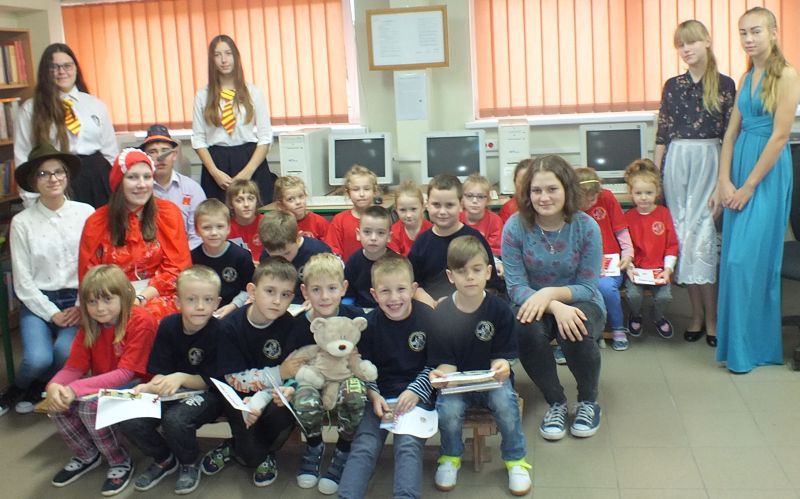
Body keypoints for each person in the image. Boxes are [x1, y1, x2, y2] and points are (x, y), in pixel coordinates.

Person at [713, 7, 800, 373]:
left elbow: (780, 137)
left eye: (756, 31)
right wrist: (723, 180)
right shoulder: (747, 75)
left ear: (774, 33)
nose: (748, 39)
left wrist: (747, 186)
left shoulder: (787, 74)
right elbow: (731, 132)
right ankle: (739, 348)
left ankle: (754, 348)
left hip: (766, 173)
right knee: (734, 262)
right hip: (739, 165)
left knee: (746, 262)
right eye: (743, 32)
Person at [502, 155, 605, 441]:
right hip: (532, 301)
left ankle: (588, 401)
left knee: (575, 326)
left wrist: (551, 294)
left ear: (567, 189)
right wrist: (554, 305)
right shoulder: (515, 227)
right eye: (536, 190)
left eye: (552, 189)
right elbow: (516, 287)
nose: (543, 197)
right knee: (525, 330)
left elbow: (587, 285)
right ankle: (556, 402)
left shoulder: (586, 227)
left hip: (580, 299)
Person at [428, 235, 530, 496]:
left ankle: (515, 460)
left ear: (488, 272)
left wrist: (502, 366)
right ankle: (450, 457)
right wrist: (440, 375)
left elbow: (503, 357)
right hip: (458, 384)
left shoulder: (500, 310)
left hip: (492, 380)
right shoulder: (442, 313)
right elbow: (445, 362)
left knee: (506, 404)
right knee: (448, 410)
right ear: (450, 276)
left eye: (476, 270)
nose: (470, 277)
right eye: (462, 271)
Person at [655, 20, 736, 344]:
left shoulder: (726, 85)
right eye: (680, 44)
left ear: (707, 41)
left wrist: (723, 182)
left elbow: (731, 137)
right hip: (677, 162)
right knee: (684, 239)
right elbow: (662, 134)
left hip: (710, 161)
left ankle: (713, 319)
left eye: (690, 42)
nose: (685, 49)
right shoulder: (673, 85)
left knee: (704, 240)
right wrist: (657, 176)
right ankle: (696, 316)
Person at [46, 265, 158, 496]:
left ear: (124, 295)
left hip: (143, 388)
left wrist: (74, 389)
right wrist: (54, 386)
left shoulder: (141, 320)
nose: (100, 308)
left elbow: (126, 374)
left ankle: (119, 461)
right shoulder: (91, 324)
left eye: (107, 299)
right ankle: (87, 454)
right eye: (92, 302)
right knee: (57, 404)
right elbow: (74, 367)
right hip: (105, 386)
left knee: (89, 408)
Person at [0, 145, 94, 416]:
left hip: (77, 300)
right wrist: (52, 313)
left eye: (58, 172)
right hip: (39, 300)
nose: (53, 179)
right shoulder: (22, 222)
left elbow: (92, 266)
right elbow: (23, 281)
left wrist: (80, 305)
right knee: (38, 358)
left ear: (67, 176)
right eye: (44, 174)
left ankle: (41, 385)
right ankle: (18, 387)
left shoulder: (85, 213)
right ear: (34, 181)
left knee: (65, 353)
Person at [119, 266, 224, 495]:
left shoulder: (220, 331)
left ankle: (189, 462)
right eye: (191, 299)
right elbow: (160, 370)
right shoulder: (168, 325)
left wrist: (181, 377)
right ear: (177, 302)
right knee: (127, 413)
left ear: (217, 303)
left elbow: (212, 381)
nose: (200, 306)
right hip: (170, 390)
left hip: (208, 394)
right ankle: (164, 458)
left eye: (207, 300)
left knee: (175, 420)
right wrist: (150, 386)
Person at [338, 253, 435, 499]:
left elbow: (437, 365)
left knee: (408, 445)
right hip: (379, 397)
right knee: (365, 445)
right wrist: (373, 394)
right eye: (385, 291)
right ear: (374, 294)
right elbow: (364, 367)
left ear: (413, 288)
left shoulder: (429, 319)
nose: (394, 298)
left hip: (416, 396)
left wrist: (415, 392)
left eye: (401, 289)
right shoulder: (369, 324)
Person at [201, 257, 299, 487]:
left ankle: (254, 449)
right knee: (251, 457)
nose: (277, 301)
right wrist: (279, 372)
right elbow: (234, 379)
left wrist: (281, 388)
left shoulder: (290, 324)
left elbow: (294, 369)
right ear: (252, 291)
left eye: (285, 295)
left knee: (284, 408)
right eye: (270, 291)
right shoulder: (229, 326)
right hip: (235, 395)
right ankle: (238, 446)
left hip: (271, 393)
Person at [286, 253, 368, 494]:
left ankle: (344, 450)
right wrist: (290, 384)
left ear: (343, 288)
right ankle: (314, 446)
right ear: (305, 291)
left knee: (355, 394)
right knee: (304, 399)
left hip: (347, 376)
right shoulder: (299, 324)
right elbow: (294, 362)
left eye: (332, 288)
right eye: (316, 289)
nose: (324, 296)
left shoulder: (354, 317)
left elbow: (365, 359)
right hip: (313, 377)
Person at [79, 148, 192, 321]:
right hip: (110, 299)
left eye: (147, 177)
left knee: (146, 318)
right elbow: (91, 277)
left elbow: (178, 268)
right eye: (132, 177)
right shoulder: (96, 222)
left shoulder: (168, 214)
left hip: (159, 295)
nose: (142, 184)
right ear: (119, 182)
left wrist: (141, 298)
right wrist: (120, 301)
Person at [14, 43, 118, 208]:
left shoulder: (95, 104)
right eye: (54, 67)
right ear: (45, 72)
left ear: (76, 68)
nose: (61, 71)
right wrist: (31, 200)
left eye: (67, 66)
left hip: (97, 178)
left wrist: (116, 186)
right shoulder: (30, 109)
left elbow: (110, 152)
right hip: (56, 178)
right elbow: (23, 156)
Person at [192, 35, 275, 204]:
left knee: (254, 212)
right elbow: (199, 139)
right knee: (219, 214)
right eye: (217, 55)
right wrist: (214, 172)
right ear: (212, 60)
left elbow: (265, 137)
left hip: (249, 159)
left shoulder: (253, 92)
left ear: (236, 56)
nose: (224, 60)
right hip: (217, 163)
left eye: (228, 53)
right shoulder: (202, 96)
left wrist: (248, 172)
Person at [408, 174, 501, 308]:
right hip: (431, 309)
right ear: (427, 205)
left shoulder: (475, 239)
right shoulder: (421, 243)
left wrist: (457, 303)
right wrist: (432, 304)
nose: (442, 211)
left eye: (449, 205)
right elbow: (412, 284)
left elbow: (491, 285)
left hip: (471, 308)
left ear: (461, 205)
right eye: (436, 205)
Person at [575, 167, 634, 351]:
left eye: (594, 198)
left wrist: (628, 254)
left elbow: (621, 230)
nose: (592, 202)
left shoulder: (606, 197)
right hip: (580, 267)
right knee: (580, 291)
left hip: (611, 263)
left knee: (606, 287)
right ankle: (591, 331)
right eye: (587, 199)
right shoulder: (568, 208)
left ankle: (617, 327)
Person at [623, 160, 679, 339]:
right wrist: (629, 268)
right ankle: (636, 314)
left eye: (649, 193)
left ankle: (658, 316)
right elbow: (625, 246)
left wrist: (668, 269)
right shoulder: (628, 217)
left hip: (659, 269)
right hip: (637, 270)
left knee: (664, 297)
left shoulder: (663, 214)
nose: (644, 198)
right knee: (633, 295)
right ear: (631, 194)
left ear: (657, 193)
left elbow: (672, 245)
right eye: (638, 193)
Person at [141, 124, 206, 250]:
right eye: (152, 152)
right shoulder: (139, 190)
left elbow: (198, 235)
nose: (160, 157)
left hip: (186, 254)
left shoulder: (192, 189)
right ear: (145, 157)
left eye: (165, 151)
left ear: (174, 155)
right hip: (149, 255)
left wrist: (179, 256)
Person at [190, 199, 254, 319]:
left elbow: (249, 288)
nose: (214, 232)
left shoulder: (241, 256)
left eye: (220, 226)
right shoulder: (192, 257)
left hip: (235, 311)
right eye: (206, 228)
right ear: (197, 231)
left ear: (228, 228)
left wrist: (233, 306)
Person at [259, 210, 332, 304]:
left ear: (298, 237)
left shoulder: (319, 252)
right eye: (275, 257)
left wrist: (317, 300)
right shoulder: (266, 256)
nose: (282, 260)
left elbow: (332, 287)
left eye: (287, 253)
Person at [344, 205, 394, 308]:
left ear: (389, 236)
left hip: (390, 309)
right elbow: (348, 296)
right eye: (367, 232)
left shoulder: (396, 263)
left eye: (380, 233)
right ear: (358, 234)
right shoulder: (353, 262)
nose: (373, 238)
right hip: (359, 311)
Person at [324, 165, 378, 260]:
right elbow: (333, 253)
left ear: (374, 191)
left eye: (366, 189)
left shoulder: (381, 218)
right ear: (348, 193)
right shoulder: (339, 220)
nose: (362, 194)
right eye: (356, 189)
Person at [460, 174, 504, 257]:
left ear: (488, 200)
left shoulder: (495, 221)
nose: (474, 201)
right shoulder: (456, 219)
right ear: (462, 198)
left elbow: (494, 251)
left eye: (480, 197)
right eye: (469, 196)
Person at [273, 175, 329, 240]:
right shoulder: (277, 225)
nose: (298, 202)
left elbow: (328, 245)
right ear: (280, 205)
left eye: (301, 196)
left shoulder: (319, 222)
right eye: (290, 199)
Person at [387, 180, 432, 257]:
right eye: (403, 210)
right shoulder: (393, 233)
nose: (408, 215)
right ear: (396, 210)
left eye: (413, 209)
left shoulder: (431, 231)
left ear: (423, 207)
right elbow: (395, 261)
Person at [226, 178, 264, 264]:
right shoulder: (225, 228)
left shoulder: (268, 223)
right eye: (239, 200)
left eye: (250, 199)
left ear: (257, 201)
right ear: (231, 204)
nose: (246, 204)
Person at [498, 159, 532, 223]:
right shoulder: (508, 209)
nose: (526, 186)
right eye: (522, 182)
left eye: (530, 182)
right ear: (514, 183)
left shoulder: (545, 205)